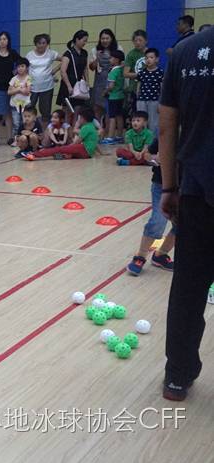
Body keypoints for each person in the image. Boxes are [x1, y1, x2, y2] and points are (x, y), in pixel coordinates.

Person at [159, 27, 214, 401]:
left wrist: (168, 187)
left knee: (189, 289)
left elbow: (166, 127)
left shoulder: (185, 51)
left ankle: (177, 377)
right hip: (196, 190)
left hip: (195, 191)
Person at [126, 139, 175, 276]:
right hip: (161, 185)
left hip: (187, 186)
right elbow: (147, 154)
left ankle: (161, 254)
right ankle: (140, 256)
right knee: (158, 221)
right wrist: (155, 158)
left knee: (183, 223)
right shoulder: (167, 134)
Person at [32, 107, 98, 160]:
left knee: (59, 149)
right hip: (88, 154)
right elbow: (95, 142)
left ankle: (34, 154)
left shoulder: (85, 128)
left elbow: (77, 142)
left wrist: (66, 147)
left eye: (79, 118)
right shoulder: (92, 126)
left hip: (84, 150)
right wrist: (101, 153)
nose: (78, 120)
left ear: (83, 119)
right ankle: (60, 156)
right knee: (66, 154)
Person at [89, 29, 122, 134]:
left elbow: (122, 64)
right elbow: (92, 67)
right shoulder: (95, 50)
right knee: (97, 107)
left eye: (107, 38)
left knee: (109, 108)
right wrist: (96, 59)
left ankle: (107, 132)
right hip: (99, 80)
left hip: (112, 80)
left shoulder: (118, 48)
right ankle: (98, 132)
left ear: (111, 39)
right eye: (102, 38)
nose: (105, 40)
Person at [58, 30, 90, 127]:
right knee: (67, 111)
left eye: (86, 41)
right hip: (68, 84)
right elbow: (63, 71)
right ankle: (66, 133)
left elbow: (85, 68)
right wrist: (68, 86)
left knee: (77, 110)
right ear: (77, 39)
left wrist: (87, 81)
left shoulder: (84, 53)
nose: (85, 43)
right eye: (83, 40)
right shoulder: (68, 53)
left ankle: (74, 132)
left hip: (79, 84)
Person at [26, 33, 60, 124]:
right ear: (35, 44)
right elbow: (24, 68)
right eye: (39, 43)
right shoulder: (29, 55)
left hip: (47, 86)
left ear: (47, 44)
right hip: (32, 87)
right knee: (29, 108)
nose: (41, 45)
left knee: (45, 111)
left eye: (44, 43)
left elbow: (65, 59)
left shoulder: (51, 53)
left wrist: (55, 70)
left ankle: (45, 133)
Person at [136, 48, 163, 136]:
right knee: (141, 120)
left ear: (157, 59)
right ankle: (141, 139)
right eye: (146, 58)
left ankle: (153, 142)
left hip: (154, 100)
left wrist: (161, 102)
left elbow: (162, 87)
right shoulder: (142, 72)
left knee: (153, 122)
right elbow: (139, 85)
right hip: (142, 99)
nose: (148, 60)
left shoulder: (160, 72)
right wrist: (138, 96)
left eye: (151, 57)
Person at [123, 30, 148, 123]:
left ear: (146, 41)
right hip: (135, 88)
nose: (137, 43)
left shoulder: (150, 53)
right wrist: (141, 75)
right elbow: (126, 73)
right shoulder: (131, 54)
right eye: (135, 40)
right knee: (136, 113)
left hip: (149, 88)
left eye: (140, 40)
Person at [102, 50, 126, 144]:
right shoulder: (121, 70)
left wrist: (105, 91)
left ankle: (110, 137)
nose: (110, 59)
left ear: (116, 60)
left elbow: (111, 86)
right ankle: (119, 135)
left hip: (113, 97)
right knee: (119, 115)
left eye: (111, 58)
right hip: (120, 95)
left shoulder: (113, 71)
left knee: (112, 117)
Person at [7, 57, 32, 144]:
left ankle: (25, 140)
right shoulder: (13, 79)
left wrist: (17, 89)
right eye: (18, 67)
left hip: (25, 105)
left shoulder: (28, 78)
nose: (20, 68)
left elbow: (27, 92)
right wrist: (19, 90)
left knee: (25, 123)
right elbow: (9, 91)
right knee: (16, 123)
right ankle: (16, 140)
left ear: (27, 68)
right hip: (15, 105)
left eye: (22, 66)